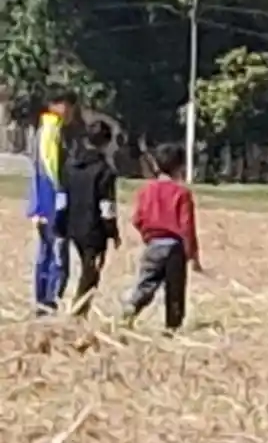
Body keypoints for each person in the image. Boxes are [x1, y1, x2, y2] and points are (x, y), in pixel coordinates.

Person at [122, 143, 202, 332]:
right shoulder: (182, 193)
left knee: (147, 281)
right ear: (180, 167)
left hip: (153, 243)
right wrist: (193, 255)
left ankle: (133, 305)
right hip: (175, 246)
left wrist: (148, 235)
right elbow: (187, 226)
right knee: (175, 290)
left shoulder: (145, 190)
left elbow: (138, 218)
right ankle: (171, 327)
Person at [27, 86, 78, 316]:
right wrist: (59, 197)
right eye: (70, 107)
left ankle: (42, 302)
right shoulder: (51, 130)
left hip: (43, 204)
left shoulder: (46, 128)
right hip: (52, 205)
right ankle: (48, 302)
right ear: (58, 105)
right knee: (57, 257)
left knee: (45, 254)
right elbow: (49, 169)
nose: (71, 113)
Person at [63, 120, 121, 316]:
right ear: (106, 143)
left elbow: (62, 197)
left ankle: (79, 310)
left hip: (73, 225)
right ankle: (78, 312)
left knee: (86, 269)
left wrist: (61, 225)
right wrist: (112, 231)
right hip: (94, 229)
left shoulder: (70, 166)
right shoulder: (104, 170)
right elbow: (107, 205)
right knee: (91, 272)